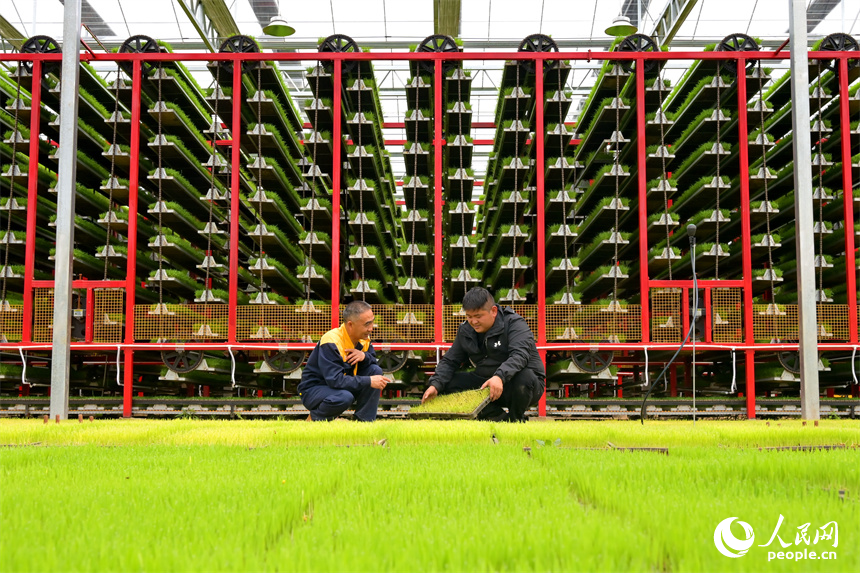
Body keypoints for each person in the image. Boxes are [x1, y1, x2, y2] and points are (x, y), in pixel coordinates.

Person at [422, 287, 545, 422]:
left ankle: (516, 420)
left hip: (520, 385)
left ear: (493, 311)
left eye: (478, 316)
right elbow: (450, 361)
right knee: (445, 384)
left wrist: (499, 376)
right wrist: (435, 385)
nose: (473, 321)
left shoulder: (514, 324)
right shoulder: (466, 330)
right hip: (485, 382)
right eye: (469, 316)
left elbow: (520, 355)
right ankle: (498, 418)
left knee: (525, 377)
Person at [299, 300, 388, 421]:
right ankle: (314, 419)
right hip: (315, 389)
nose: (371, 328)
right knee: (344, 397)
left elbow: (373, 362)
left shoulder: (364, 339)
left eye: (372, 322)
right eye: (367, 324)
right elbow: (335, 380)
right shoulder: (331, 341)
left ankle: (364, 423)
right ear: (350, 324)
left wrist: (364, 356)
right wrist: (368, 381)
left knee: (375, 370)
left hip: (341, 387)